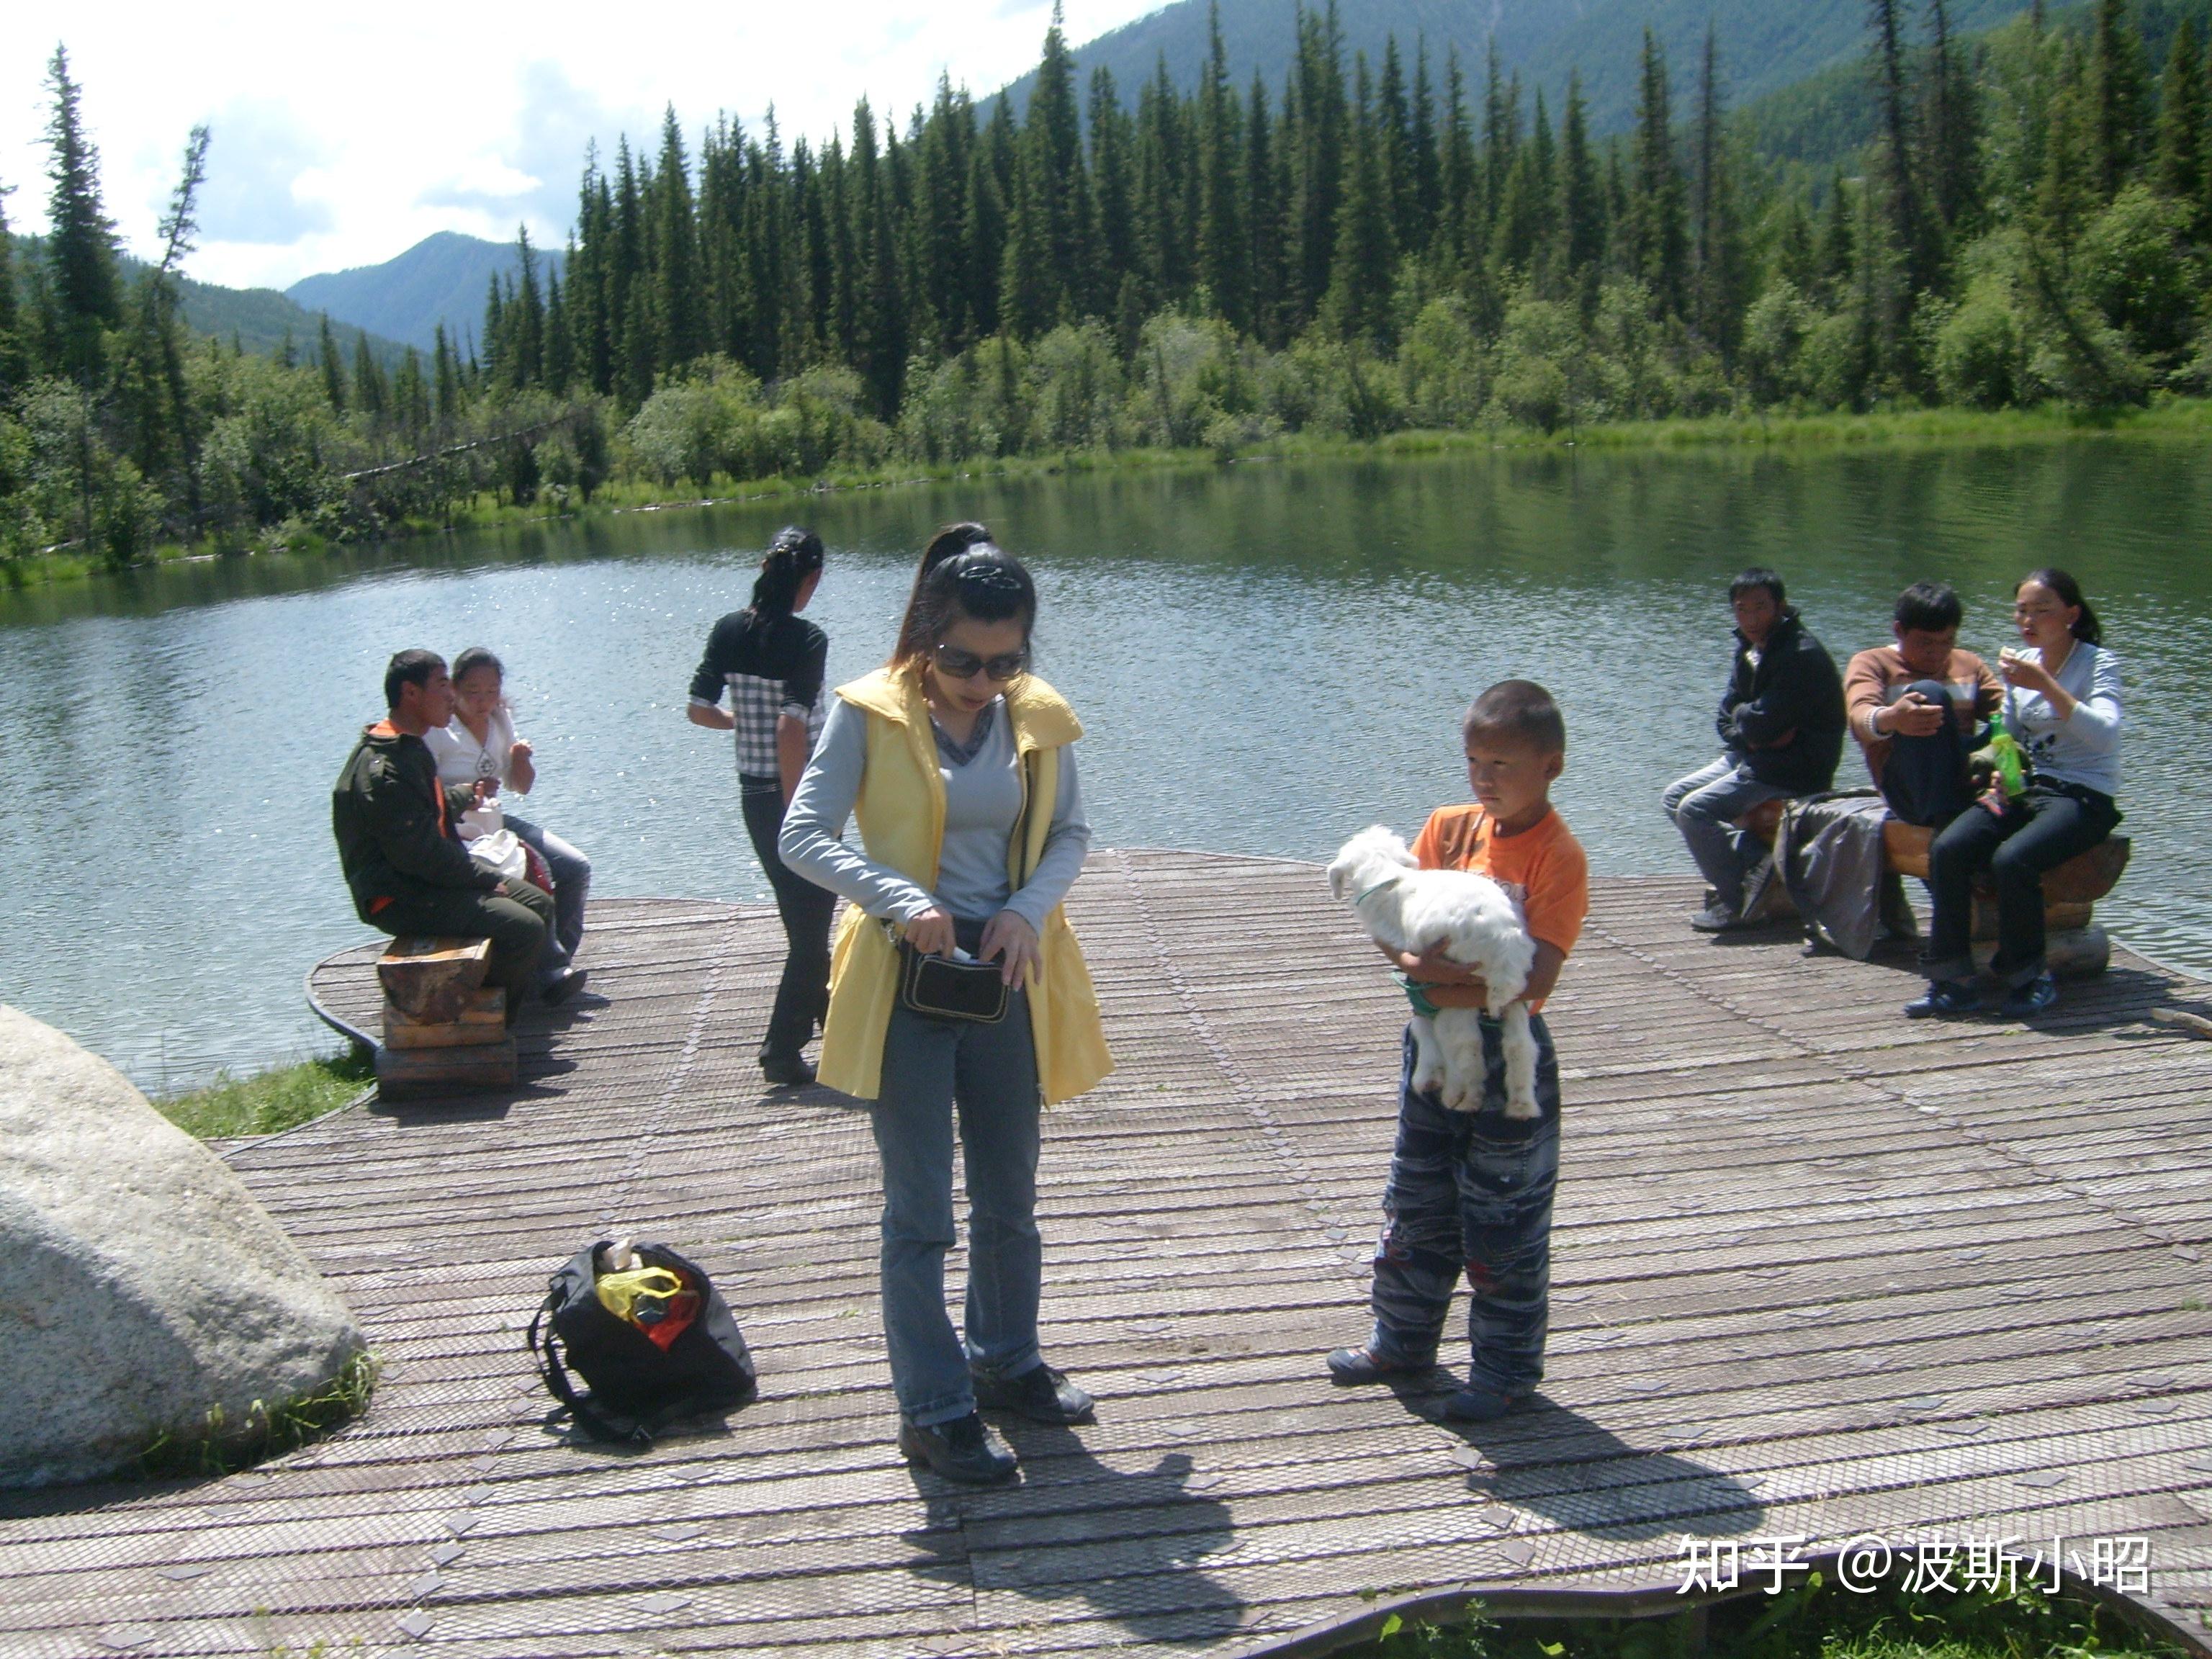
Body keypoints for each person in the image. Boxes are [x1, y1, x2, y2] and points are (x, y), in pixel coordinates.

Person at [779, 523, 1112, 1485]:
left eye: (1005, 660)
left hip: (1005, 971)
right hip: (907, 977)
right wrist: (897, 896)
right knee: (920, 1211)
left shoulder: (1034, 715)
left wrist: (1023, 911)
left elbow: (1071, 835)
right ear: (927, 633)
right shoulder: (870, 712)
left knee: (1011, 1198)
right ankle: (932, 1407)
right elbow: (805, 836)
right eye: (964, 658)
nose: (983, 677)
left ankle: (1006, 1362)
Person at [1326, 681, 1588, 1422]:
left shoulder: (1558, 857)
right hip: (1434, 1052)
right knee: (1416, 1201)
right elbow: (1393, 919)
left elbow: (1532, 982)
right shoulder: (1445, 829)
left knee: (1504, 1220)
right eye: (1475, 761)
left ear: (1552, 766)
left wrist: (1431, 972)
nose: (1485, 779)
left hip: (1511, 1062)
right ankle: (1402, 1340)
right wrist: (1425, 970)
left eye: (1504, 764)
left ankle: (1503, 1372)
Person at [1907, 569, 2123, 1022]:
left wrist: (2044, 683)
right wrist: (2002, 773)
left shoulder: (2097, 663)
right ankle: (1952, 981)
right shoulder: (2021, 662)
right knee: (1948, 848)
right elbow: (2010, 734)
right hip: (2028, 787)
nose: (2028, 619)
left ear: (2071, 615)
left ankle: (2030, 978)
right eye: (2022, 609)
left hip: (2082, 795)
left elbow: (2105, 735)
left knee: (2013, 860)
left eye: (2042, 610)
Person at [688, 526, 835, 1087]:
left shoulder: (729, 630)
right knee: (810, 926)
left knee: (806, 919)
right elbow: (791, 727)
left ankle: (838, 1025)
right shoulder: (808, 639)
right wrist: (803, 810)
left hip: (753, 795)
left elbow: (699, 709)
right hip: (796, 795)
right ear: (811, 578)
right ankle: (781, 1048)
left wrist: (738, 722)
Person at [333, 650, 554, 1012]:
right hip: (399, 895)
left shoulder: (408, 746)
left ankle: (484, 1002)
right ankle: (472, 1020)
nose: (452, 695)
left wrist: (465, 794)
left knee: (538, 903)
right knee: (524, 928)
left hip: (426, 880)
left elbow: (425, 811)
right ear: (410, 693)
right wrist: (483, 878)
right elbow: (420, 855)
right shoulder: (385, 769)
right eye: (441, 685)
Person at [1662, 569, 1845, 931]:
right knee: (1673, 798)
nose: (1751, 619)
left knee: (1694, 811)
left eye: (1760, 608)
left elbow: (1758, 722)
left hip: (1792, 769)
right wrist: (1751, 730)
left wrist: (1750, 725)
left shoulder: (1799, 655)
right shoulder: (1750, 648)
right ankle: (1756, 867)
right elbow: (1729, 718)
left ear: (1780, 606)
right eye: (1742, 609)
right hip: (1755, 756)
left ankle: (1740, 902)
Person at [426, 647, 590, 1004]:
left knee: (574, 866)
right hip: (457, 829)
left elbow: (521, 786)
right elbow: (424, 793)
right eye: (472, 692)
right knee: (530, 870)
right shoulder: (440, 730)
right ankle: (548, 971)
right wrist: (466, 792)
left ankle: (556, 967)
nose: (483, 701)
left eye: (491, 692)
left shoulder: (500, 720)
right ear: (453, 688)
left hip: (496, 822)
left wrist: (520, 759)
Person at [1843, 582, 2003, 827]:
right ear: (1899, 631)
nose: (1937, 652)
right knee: (1928, 693)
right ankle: (1944, 818)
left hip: (1962, 777)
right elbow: (1859, 716)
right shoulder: (1873, 663)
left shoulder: (1970, 665)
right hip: (1908, 792)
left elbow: (2005, 710)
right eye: (1925, 642)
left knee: (2015, 716)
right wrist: (1893, 718)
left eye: (1946, 641)